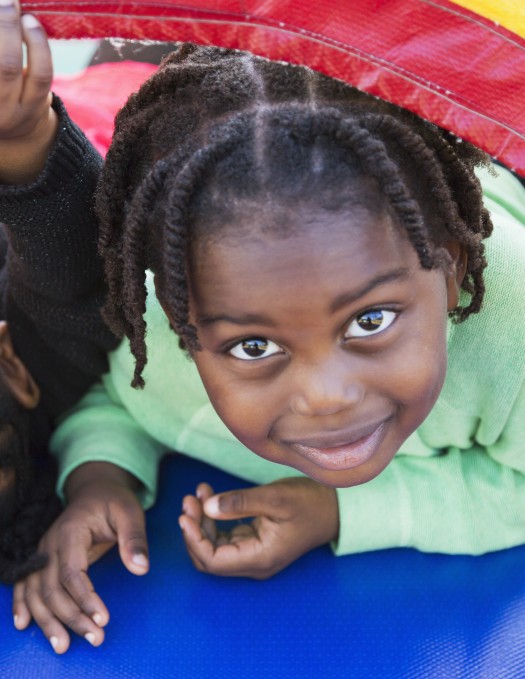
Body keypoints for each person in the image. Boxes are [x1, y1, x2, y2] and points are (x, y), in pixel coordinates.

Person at [12, 42, 525, 654]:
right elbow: (121, 400)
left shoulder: (512, 339)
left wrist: (338, 514)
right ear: (183, 325)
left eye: (371, 321)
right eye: (255, 347)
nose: (325, 397)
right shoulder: (172, 336)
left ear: (451, 269)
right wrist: (100, 478)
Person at [0, 4, 117, 584]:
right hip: (115, 99)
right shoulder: (41, 365)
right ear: (10, 369)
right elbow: (70, 277)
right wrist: (25, 140)